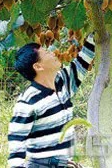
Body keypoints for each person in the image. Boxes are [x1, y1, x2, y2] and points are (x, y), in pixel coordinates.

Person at [8, 33, 95, 168]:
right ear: (38, 66)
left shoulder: (63, 82)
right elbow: (16, 148)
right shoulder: (27, 102)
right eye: (46, 53)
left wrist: (95, 29)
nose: (53, 53)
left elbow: (83, 62)